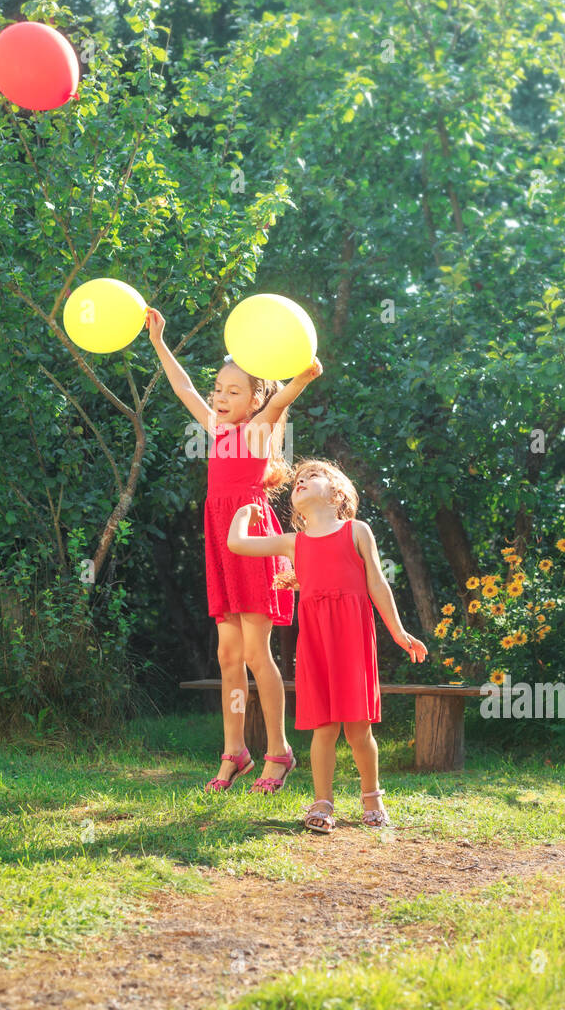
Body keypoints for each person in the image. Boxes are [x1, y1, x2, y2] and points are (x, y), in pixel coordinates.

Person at [146, 306, 321, 791]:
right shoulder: (216, 430)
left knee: (256, 653)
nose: (219, 398)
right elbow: (182, 386)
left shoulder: (258, 431)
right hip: (222, 543)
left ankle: (279, 751)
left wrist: (302, 376)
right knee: (228, 655)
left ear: (253, 399)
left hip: (252, 540)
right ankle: (235, 750)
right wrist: (160, 342)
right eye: (218, 389)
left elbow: (281, 400)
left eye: (232, 391)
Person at [228, 458, 427, 832]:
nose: (301, 481)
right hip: (316, 642)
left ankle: (372, 799)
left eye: (312, 476)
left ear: (337, 492)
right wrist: (243, 512)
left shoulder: (357, 531)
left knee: (357, 729)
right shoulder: (293, 542)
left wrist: (399, 632)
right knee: (323, 728)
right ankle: (323, 802)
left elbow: (377, 585)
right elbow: (236, 543)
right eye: (297, 480)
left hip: (352, 637)